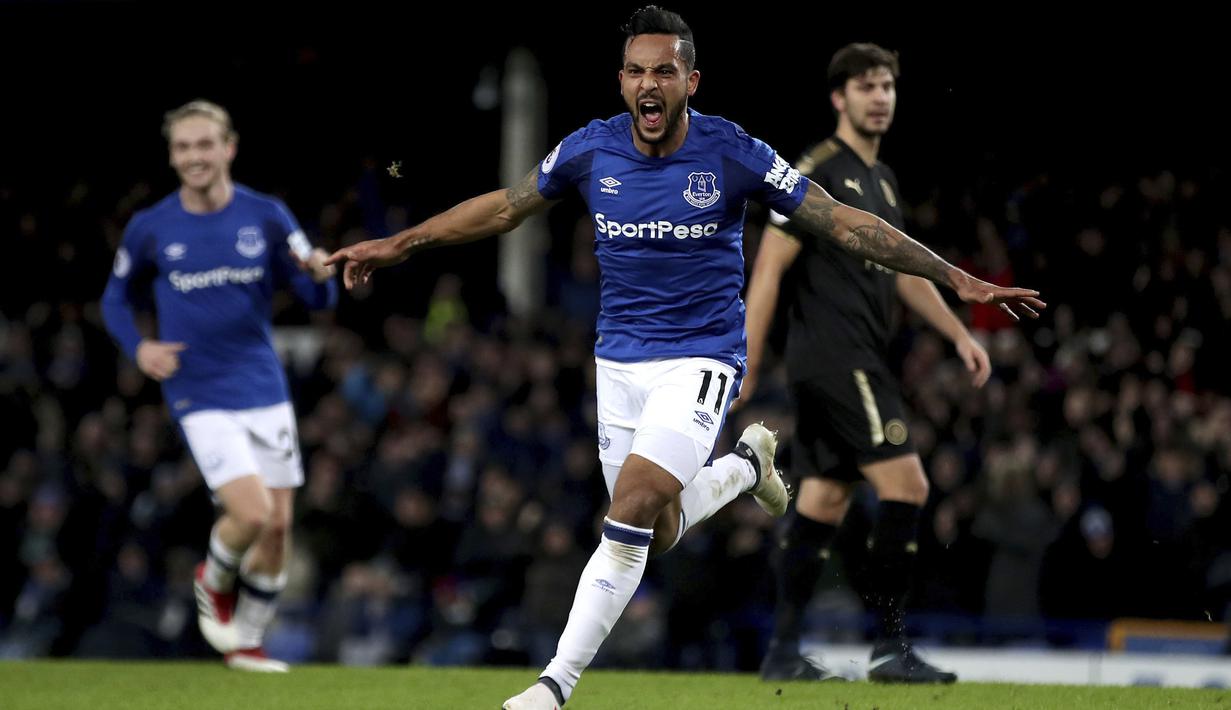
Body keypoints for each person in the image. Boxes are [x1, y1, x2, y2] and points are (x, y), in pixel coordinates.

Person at [326, 8, 1042, 708]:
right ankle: (746, 468)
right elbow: (506, 207)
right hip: (618, 366)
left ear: (690, 81)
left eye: (664, 72)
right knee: (656, 531)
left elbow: (840, 221)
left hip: (701, 358)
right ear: (621, 81)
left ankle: (552, 686)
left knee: (631, 506)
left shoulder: (731, 153)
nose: (649, 83)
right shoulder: (590, 150)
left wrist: (954, 276)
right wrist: (400, 243)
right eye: (636, 71)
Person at [740, 43, 994, 683]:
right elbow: (768, 269)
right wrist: (748, 357)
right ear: (839, 98)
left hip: (842, 360)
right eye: (866, 86)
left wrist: (957, 334)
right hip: (838, 358)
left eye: (887, 86)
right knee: (909, 485)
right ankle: (890, 649)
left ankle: (782, 653)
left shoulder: (882, 181)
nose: (880, 97)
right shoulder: (815, 171)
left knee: (824, 498)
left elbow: (904, 274)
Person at [101, 99, 338, 672]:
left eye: (205, 144)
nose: (195, 156)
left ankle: (247, 643)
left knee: (278, 527)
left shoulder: (267, 215)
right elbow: (114, 300)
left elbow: (317, 296)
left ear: (228, 148)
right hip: (197, 388)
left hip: (262, 383)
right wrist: (140, 347)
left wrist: (319, 276)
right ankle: (213, 576)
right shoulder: (151, 226)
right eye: (183, 147)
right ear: (171, 156)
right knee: (251, 513)